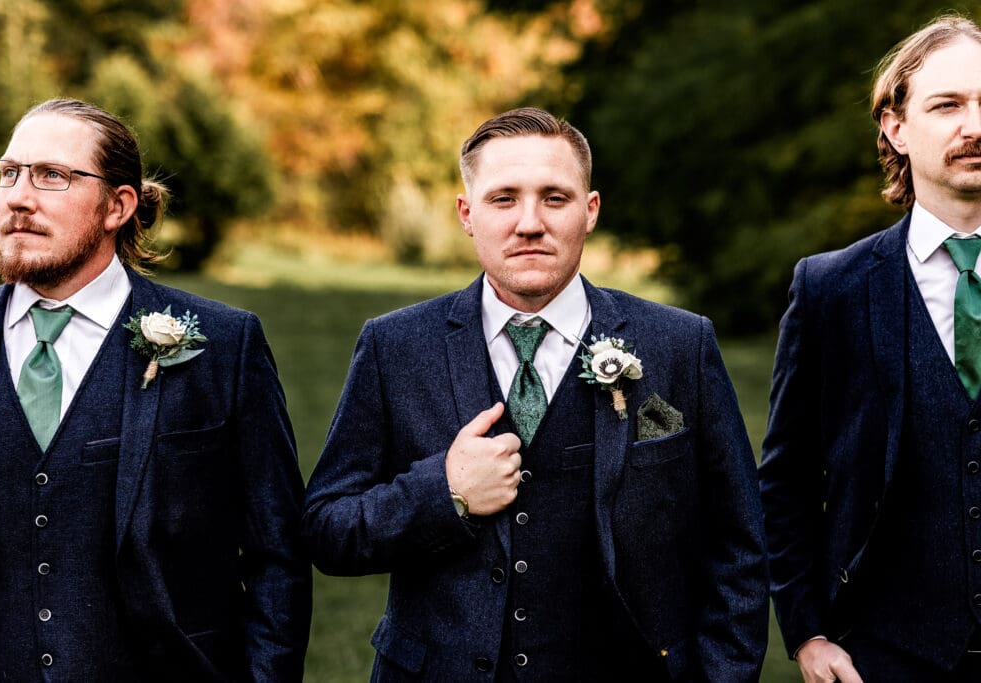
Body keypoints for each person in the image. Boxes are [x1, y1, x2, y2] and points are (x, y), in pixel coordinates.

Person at [303, 107, 767, 681]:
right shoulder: (394, 346)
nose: (529, 222)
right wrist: (443, 493)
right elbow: (328, 528)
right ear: (467, 214)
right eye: (503, 199)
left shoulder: (679, 345)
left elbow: (739, 541)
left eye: (554, 198)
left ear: (589, 211)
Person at [0, 98, 312, 680]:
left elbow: (277, 555)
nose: (18, 196)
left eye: (51, 176)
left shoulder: (225, 345)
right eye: (8, 173)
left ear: (118, 206)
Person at [760, 15, 981, 683]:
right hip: (885, 658)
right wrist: (808, 632)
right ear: (896, 127)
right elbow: (786, 479)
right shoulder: (831, 288)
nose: (976, 125)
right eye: (947, 105)